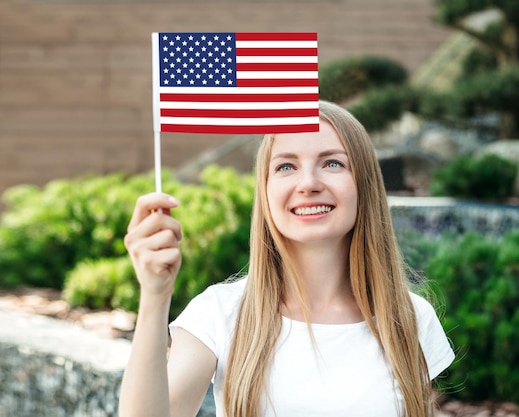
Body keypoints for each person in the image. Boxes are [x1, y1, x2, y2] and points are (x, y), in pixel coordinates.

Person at [119, 100, 455, 417]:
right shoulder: (218, 314)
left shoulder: (409, 318)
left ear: (364, 185)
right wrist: (155, 296)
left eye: (332, 163)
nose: (308, 183)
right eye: (286, 166)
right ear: (266, 191)